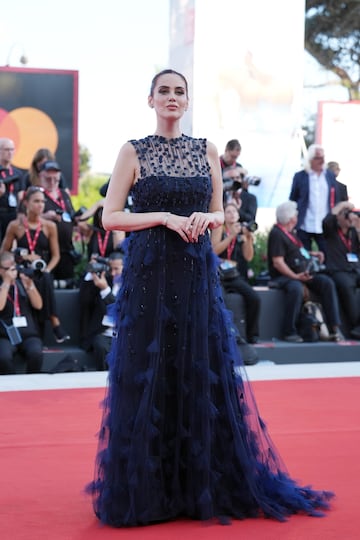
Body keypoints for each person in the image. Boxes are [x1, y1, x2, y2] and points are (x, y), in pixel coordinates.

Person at [86, 69, 333, 527]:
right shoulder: (132, 151)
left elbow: (220, 214)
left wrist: (204, 215)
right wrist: (163, 217)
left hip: (196, 277)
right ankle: (152, 489)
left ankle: (201, 484)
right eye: (164, 91)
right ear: (151, 100)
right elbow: (111, 217)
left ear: (188, 99)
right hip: (150, 276)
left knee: (199, 370)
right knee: (150, 372)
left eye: (180, 91)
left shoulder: (207, 151)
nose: (173, 98)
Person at [1, 186, 70, 343]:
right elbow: (4, 253)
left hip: (41, 269)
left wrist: (47, 268)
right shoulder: (15, 225)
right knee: (39, 279)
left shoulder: (49, 226)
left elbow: (56, 256)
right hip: (20, 269)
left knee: (44, 277)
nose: (41, 205)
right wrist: (22, 256)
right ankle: (54, 322)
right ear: (26, 203)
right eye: (36, 201)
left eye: (43, 202)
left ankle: (46, 328)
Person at [267, 200, 343, 343]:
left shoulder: (292, 233)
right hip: (284, 276)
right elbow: (278, 262)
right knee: (296, 288)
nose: (297, 215)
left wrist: (313, 254)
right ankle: (289, 331)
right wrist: (295, 277)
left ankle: (334, 327)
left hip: (302, 273)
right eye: (295, 213)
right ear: (290, 218)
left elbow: (298, 252)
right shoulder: (277, 233)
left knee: (326, 283)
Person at [211, 202, 260, 345]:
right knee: (220, 298)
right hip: (218, 273)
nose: (232, 214)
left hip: (233, 274)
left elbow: (248, 256)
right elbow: (214, 251)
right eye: (229, 212)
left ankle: (252, 335)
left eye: (234, 212)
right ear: (224, 215)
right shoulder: (220, 228)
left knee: (254, 298)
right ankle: (221, 335)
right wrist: (231, 235)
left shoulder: (241, 231)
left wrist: (249, 238)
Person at [289, 144, 347, 252]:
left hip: (325, 223)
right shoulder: (300, 176)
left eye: (323, 158)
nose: (321, 161)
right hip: (304, 223)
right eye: (318, 158)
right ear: (310, 159)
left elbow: (336, 198)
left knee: (328, 255)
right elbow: (293, 199)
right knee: (304, 256)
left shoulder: (329, 176)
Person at [0, 251, 43, 374]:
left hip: (28, 333)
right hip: (5, 334)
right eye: (7, 269)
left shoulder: (21, 282)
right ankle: (11, 386)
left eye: (12, 268)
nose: (11, 272)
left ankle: (32, 383)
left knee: (36, 352)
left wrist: (30, 285)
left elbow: (38, 305)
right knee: (3, 357)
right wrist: (7, 282)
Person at [79, 252, 124, 370]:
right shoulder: (104, 280)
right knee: (100, 346)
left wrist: (105, 290)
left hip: (125, 332)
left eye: (117, 269)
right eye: (111, 269)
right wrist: (90, 273)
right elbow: (84, 300)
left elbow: (121, 310)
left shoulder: (134, 285)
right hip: (103, 332)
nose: (113, 273)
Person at [322, 201, 360, 339]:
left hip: (354, 269)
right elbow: (327, 220)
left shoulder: (353, 231)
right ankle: (356, 325)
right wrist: (343, 206)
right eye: (347, 217)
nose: (350, 219)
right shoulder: (331, 230)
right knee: (347, 286)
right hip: (338, 270)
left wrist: (358, 229)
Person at [39, 160, 78, 285]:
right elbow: (25, 217)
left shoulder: (64, 194)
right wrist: (45, 216)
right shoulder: (37, 194)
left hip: (66, 249)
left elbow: (70, 214)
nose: (52, 182)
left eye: (55, 179)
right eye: (48, 179)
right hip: (47, 251)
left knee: (67, 284)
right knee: (47, 285)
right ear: (41, 176)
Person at [0, 137, 25, 242]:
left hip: (13, 214)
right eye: (6, 150)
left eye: (12, 149)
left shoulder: (18, 173)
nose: (10, 153)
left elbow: (21, 196)